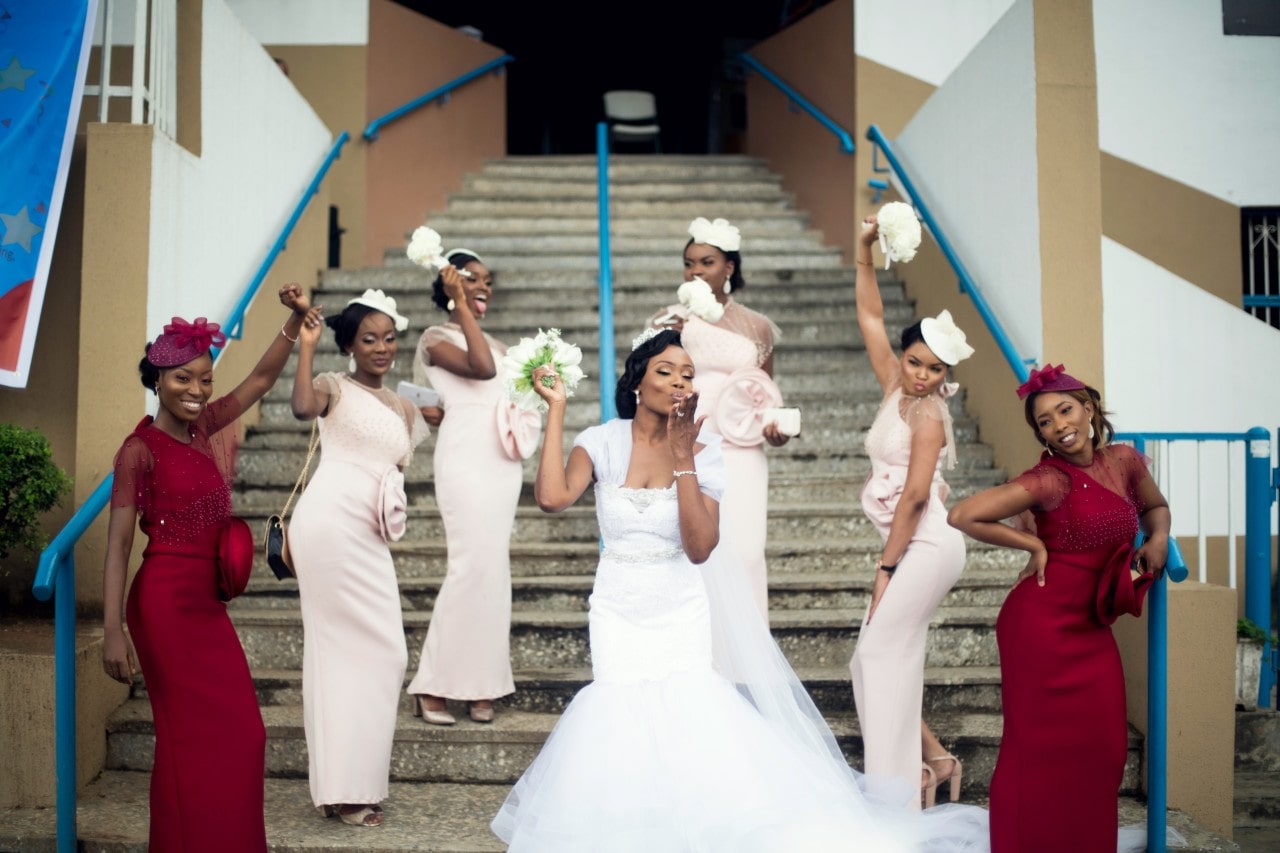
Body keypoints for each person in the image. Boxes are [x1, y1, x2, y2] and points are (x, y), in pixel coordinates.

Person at [491, 329, 988, 852]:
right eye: (666, 371)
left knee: (685, 712)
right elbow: (551, 497)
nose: (681, 382)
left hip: (678, 605)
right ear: (637, 381)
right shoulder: (600, 441)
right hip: (617, 608)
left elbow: (701, 546)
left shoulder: (704, 452)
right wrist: (556, 410)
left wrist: (683, 455)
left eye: (688, 374)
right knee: (619, 715)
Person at [103, 287, 320, 851]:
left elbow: (260, 381)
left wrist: (294, 321)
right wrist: (111, 632)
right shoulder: (137, 450)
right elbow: (119, 545)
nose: (198, 390)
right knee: (185, 740)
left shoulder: (206, 428)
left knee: (243, 735)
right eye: (183, 379)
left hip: (205, 602)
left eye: (204, 378)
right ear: (157, 380)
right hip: (162, 603)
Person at [947, 364, 1170, 852]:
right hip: (1040, 626)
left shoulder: (1126, 462)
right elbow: (963, 514)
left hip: (1091, 628)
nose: (1058, 425)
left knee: (1106, 748)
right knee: (1034, 751)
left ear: (1088, 409)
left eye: (1064, 410)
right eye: (1044, 421)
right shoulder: (1050, 480)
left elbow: (1155, 506)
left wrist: (1158, 538)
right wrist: (1033, 547)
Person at [288, 288, 429, 827]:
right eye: (369, 338)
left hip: (367, 531)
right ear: (348, 344)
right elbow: (302, 408)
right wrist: (306, 346)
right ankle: (346, 793)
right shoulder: (332, 387)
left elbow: (402, 455)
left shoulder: (401, 405)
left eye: (389, 338)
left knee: (387, 652)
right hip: (328, 522)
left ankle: (348, 783)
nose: (381, 347)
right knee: (336, 650)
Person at [847, 216, 975, 810]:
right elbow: (871, 316)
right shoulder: (895, 389)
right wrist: (866, 250)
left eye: (934, 370)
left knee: (875, 655)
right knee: (878, 660)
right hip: (913, 542)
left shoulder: (926, 417)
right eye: (915, 361)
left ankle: (898, 795)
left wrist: (886, 568)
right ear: (904, 357)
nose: (921, 375)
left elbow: (918, 498)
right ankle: (932, 765)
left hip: (924, 544)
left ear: (946, 377)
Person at [407, 248, 539, 725]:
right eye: (472, 278)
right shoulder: (434, 338)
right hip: (464, 460)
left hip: (501, 463)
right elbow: (481, 370)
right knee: (469, 567)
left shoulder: (503, 346)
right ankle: (433, 684)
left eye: (488, 280)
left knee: (493, 571)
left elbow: (498, 378)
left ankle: (482, 684)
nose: (484, 286)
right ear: (448, 283)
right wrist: (459, 303)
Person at [650, 216, 788, 618]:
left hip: (742, 447)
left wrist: (774, 429)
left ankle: (746, 668)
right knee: (692, 548)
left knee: (745, 550)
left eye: (706, 262)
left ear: (728, 268)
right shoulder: (667, 320)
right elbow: (645, 386)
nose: (695, 270)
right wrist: (665, 341)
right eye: (689, 262)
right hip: (685, 444)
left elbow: (764, 394)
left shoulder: (757, 327)